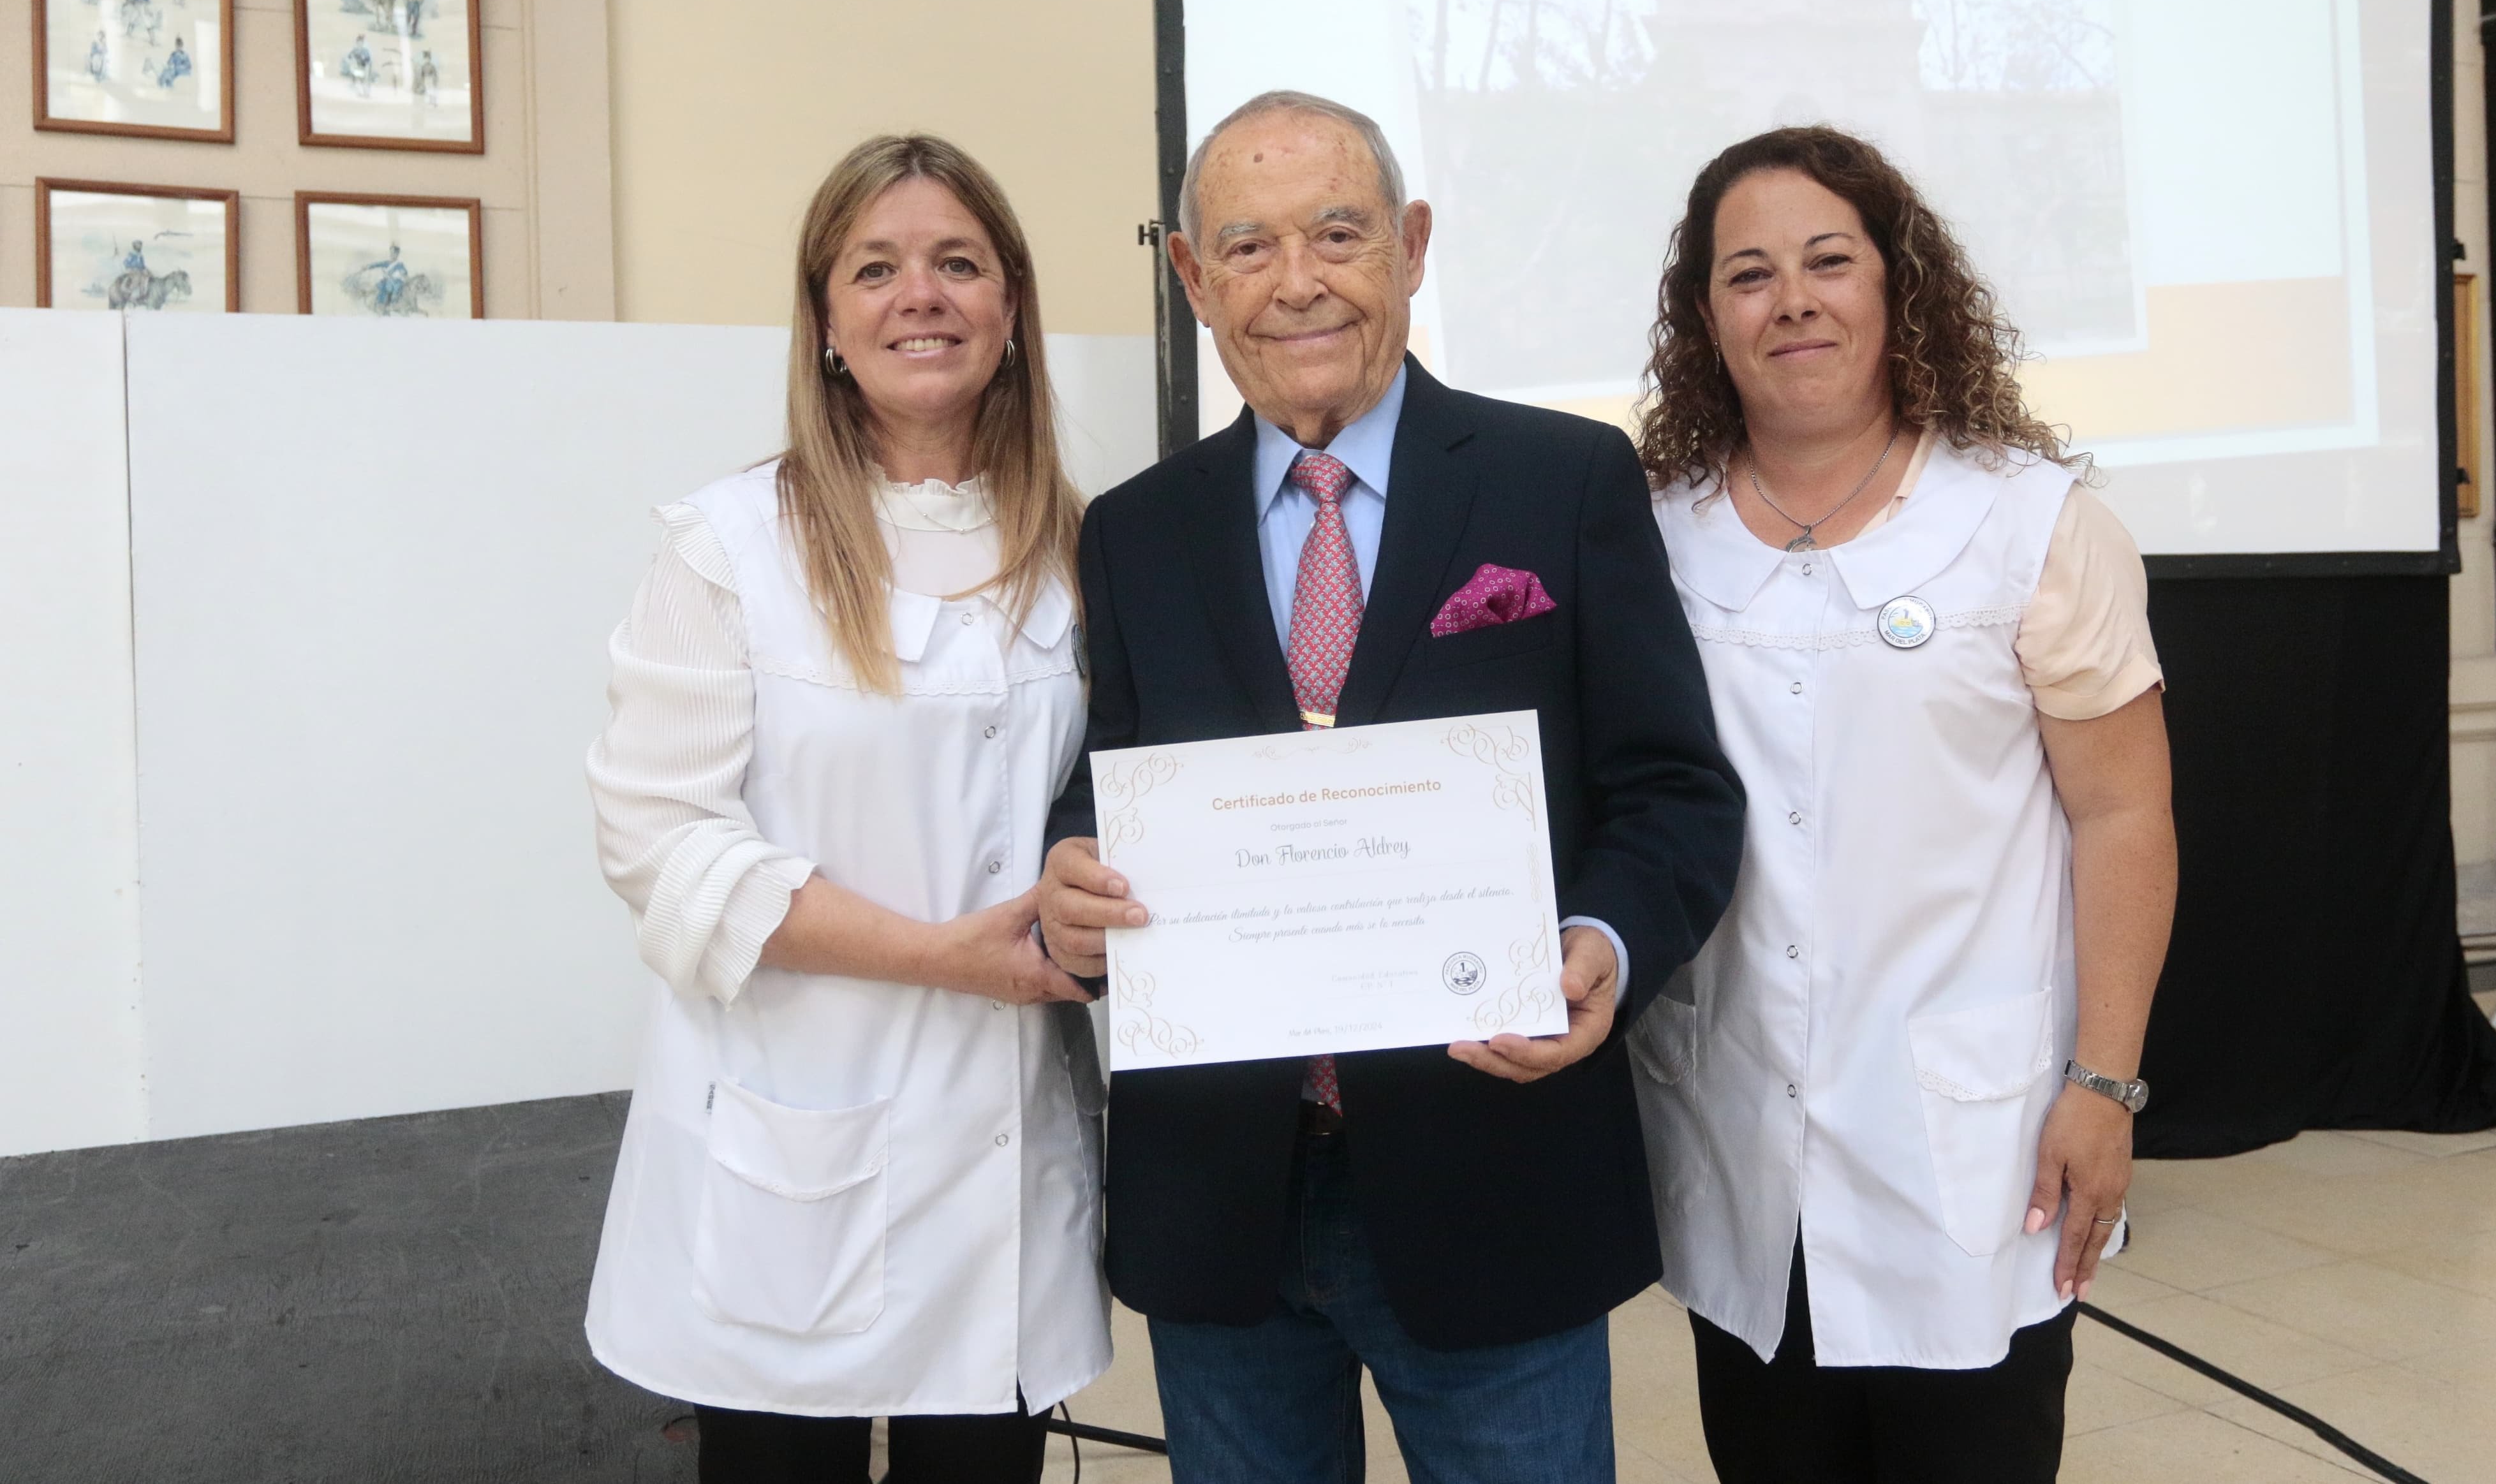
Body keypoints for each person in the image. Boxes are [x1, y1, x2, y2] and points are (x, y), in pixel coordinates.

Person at [1037, 90, 1745, 1484]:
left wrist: (1598, 948)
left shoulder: (1564, 480)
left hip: (1497, 1166)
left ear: (1411, 247)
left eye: (1338, 233)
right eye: (1246, 246)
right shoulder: (1133, 532)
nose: (1295, 281)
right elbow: (1105, 789)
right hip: (1223, 1192)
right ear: (1191, 278)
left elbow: (1672, 790)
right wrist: (1073, 881)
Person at [1627, 126, 2178, 1484]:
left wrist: (2103, 1084)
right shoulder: (1649, 530)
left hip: (1972, 1149)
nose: (1793, 299)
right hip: (1737, 1133)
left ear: (1897, 286)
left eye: (1829, 261)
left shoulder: (2032, 523)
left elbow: (2123, 816)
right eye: (1748, 274)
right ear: (1706, 317)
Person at [584, 133, 1107, 1483]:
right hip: (789, 1143)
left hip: (1002, 1157)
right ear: (824, 321)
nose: (918, 296)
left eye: (956, 264)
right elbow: (661, 844)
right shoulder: (727, 547)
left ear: (1009, 308)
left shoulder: (1077, 544)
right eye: (874, 269)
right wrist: (940, 956)